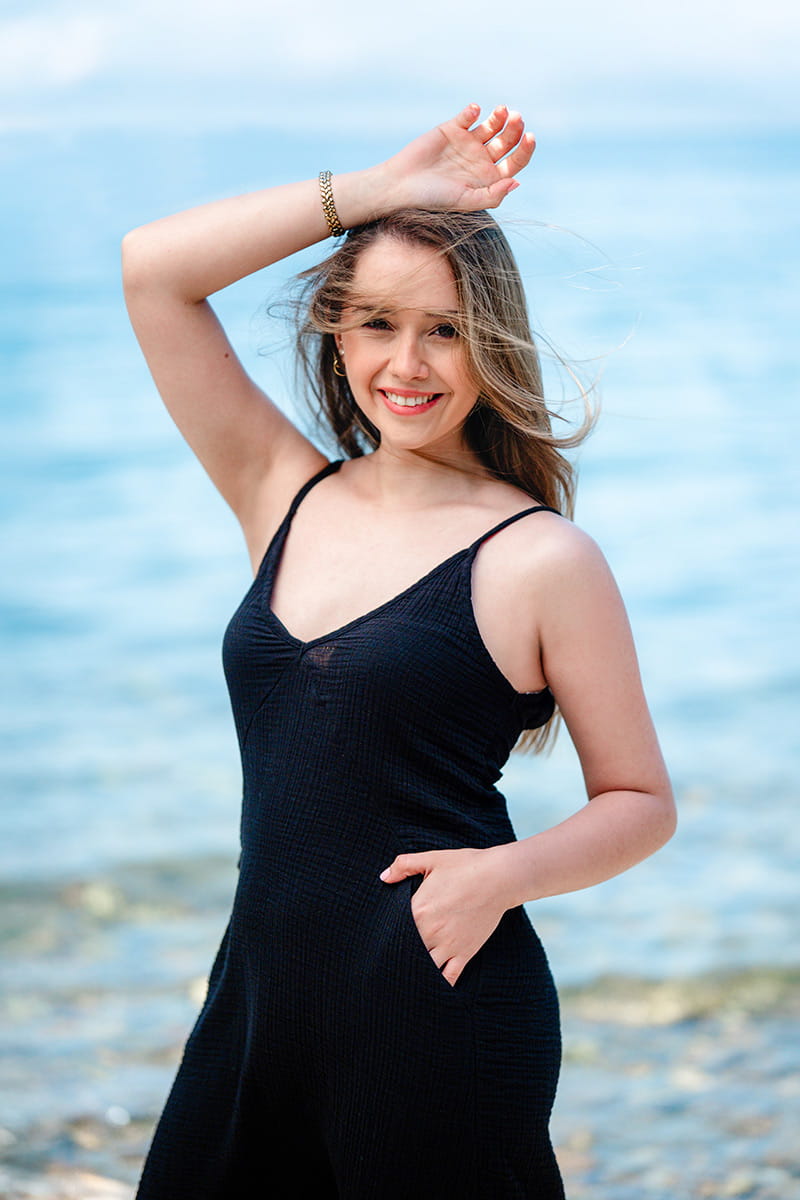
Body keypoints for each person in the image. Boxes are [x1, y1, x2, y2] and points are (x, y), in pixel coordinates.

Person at [122, 103, 676, 1199]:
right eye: (376, 323)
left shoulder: (539, 557)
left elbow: (638, 799)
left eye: (443, 328)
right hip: (258, 999)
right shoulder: (281, 491)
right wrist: (374, 190)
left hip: (438, 996)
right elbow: (153, 272)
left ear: (490, 341)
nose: (406, 363)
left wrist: (502, 878)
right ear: (336, 332)